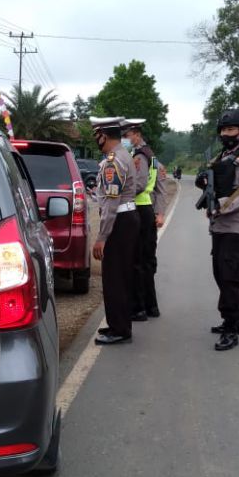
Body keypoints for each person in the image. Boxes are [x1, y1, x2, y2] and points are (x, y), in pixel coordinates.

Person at [195, 108, 239, 351]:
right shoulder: (223, 155)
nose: (226, 133)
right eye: (223, 130)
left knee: (230, 276)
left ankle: (232, 328)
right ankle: (234, 319)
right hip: (219, 225)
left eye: (231, 129)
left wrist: (226, 205)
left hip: (236, 226)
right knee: (219, 273)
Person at [92, 117, 139, 345]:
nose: (95, 139)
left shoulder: (113, 161)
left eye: (96, 135)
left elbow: (111, 203)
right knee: (119, 276)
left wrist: (102, 237)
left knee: (115, 278)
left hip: (119, 221)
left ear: (103, 135)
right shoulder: (122, 155)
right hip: (125, 218)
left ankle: (120, 329)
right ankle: (118, 324)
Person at [123, 118, 164, 321]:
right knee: (147, 260)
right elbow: (158, 185)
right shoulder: (153, 156)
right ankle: (151, 306)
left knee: (137, 261)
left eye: (127, 135)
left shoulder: (139, 155)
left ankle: (138, 308)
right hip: (147, 208)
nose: (125, 139)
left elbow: (138, 185)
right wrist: (159, 211)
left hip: (138, 208)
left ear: (137, 134)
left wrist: (119, 192)